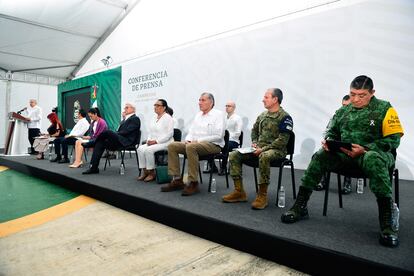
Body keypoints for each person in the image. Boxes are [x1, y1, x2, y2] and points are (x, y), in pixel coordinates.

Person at [281, 75, 404, 248]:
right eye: (352, 94)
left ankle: (387, 224)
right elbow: (332, 132)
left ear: (372, 93)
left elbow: (393, 140)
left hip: (375, 155)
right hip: (346, 156)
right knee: (319, 156)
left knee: (372, 159)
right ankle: (300, 206)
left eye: (361, 95)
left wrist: (366, 149)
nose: (356, 99)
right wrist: (329, 142)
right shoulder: (343, 110)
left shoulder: (385, 108)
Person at [222, 88, 293, 210]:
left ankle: (262, 196)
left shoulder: (285, 117)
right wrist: (254, 143)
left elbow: (282, 141)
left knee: (264, 156)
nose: (263, 100)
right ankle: (239, 192)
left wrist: (263, 149)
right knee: (234, 154)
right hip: (259, 148)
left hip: (277, 150)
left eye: (266, 97)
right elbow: (254, 131)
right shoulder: (262, 115)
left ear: (275, 99)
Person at [160, 92, 225, 196]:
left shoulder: (218, 114)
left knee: (191, 147)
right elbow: (191, 131)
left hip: (213, 145)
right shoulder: (198, 115)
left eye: (203, 100)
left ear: (211, 102)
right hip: (195, 145)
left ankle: (193, 182)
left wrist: (198, 141)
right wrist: (188, 139)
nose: (199, 102)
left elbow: (219, 135)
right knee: (172, 146)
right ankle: (177, 179)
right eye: (199, 100)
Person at [82, 103, 141, 174]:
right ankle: (93, 167)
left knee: (107, 132)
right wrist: (116, 133)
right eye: (125, 108)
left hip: (126, 141)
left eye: (127, 107)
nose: (125, 109)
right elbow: (120, 131)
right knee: (100, 142)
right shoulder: (125, 119)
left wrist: (115, 134)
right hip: (119, 140)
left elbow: (127, 131)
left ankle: (92, 143)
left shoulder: (135, 118)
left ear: (133, 109)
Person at [315, 94, 352, 192]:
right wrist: (327, 139)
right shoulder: (337, 115)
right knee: (323, 153)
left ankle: (347, 184)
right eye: (343, 105)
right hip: (337, 143)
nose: (345, 108)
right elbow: (328, 130)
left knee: (348, 155)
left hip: (350, 145)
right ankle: (322, 182)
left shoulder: (358, 117)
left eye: (347, 105)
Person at [137, 99, 174, 182]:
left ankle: (151, 172)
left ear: (164, 107)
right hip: (153, 142)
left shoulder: (168, 118)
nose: (155, 107)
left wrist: (156, 141)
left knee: (148, 150)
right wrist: (149, 140)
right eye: (155, 105)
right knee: (140, 149)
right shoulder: (153, 117)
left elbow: (169, 134)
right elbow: (151, 132)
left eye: (158, 105)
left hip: (165, 143)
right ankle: (145, 171)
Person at [218, 101, 243, 176]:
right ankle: (212, 166)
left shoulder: (237, 118)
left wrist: (227, 137)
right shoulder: (223, 118)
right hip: (223, 140)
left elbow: (238, 133)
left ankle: (223, 167)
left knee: (226, 146)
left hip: (233, 141)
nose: (227, 107)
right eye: (226, 106)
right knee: (211, 144)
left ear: (234, 108)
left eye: (229, 106)